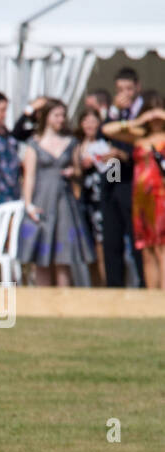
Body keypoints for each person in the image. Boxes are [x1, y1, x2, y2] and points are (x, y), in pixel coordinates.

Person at [19, 100, 94, 286]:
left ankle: (65, 304)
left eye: (63, 115)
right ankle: (43, 306)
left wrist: (73, 172)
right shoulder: (34, 144)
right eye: (56, 115)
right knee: (42, 257)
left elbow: (79, 171)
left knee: (64, 256)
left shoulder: (71, 142)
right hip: (42, 199)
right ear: (46, 117)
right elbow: (29, 176)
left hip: (64, 201)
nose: (61, 119)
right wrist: (28, 204)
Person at [103, 92, 165, 289]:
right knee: (145, 248)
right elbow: (108, 130)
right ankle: (151, 295)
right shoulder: (139, 137)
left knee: (162, 248)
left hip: (161, 197)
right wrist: (138, 120)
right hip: (141, 199)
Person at [100, 67, 144, 287]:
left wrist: (123, 154)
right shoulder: (114, 113)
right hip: (115, 173)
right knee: (112, 237)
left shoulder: (145, 113)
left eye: (128, 88)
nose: (124, 94)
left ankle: (144, 284)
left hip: (137, 177)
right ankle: (114, 287)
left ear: (138, 87)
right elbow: (103, 133)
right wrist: (114, 110)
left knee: (136, 236)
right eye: (120, 90)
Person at [75, 106, 113, 285]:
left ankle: (105, 284)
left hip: (101, 199)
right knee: (86, 245)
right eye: (86, 120)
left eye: (93, 120)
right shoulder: (75, 145)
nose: (90, 125)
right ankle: (93, 285)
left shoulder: (107, 145)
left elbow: (116, 176)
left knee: (102, 245)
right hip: (81, 200)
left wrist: (102, 161)